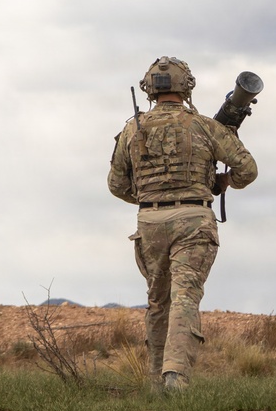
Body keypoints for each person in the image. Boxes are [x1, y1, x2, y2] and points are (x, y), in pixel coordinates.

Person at [107, 56, 257, 393]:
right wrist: (219, 184)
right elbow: (248, 169)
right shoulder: (204, 126)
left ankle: (155, 381)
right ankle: (175, 375)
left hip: (149, 223)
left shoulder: (133, 129)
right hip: (193, 220)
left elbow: (116, 185)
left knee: (158, 302)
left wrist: (149, 196)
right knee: (185, 298)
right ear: (187, 87)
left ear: (148, 88)